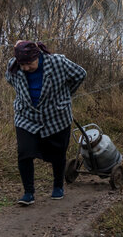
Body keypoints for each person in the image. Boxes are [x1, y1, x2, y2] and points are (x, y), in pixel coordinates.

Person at [5, 40, 86, 206]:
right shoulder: (14, 65)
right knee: (24, 152)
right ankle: (28, 193)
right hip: (26, 117)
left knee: (58, 153)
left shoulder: (57, 62)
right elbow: (10, 79)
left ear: (37, 56)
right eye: (23, 65)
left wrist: (65, 95)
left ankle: (58, 186)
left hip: (56, 117)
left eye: (29, 64)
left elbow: (80, 74)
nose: (26, 68)